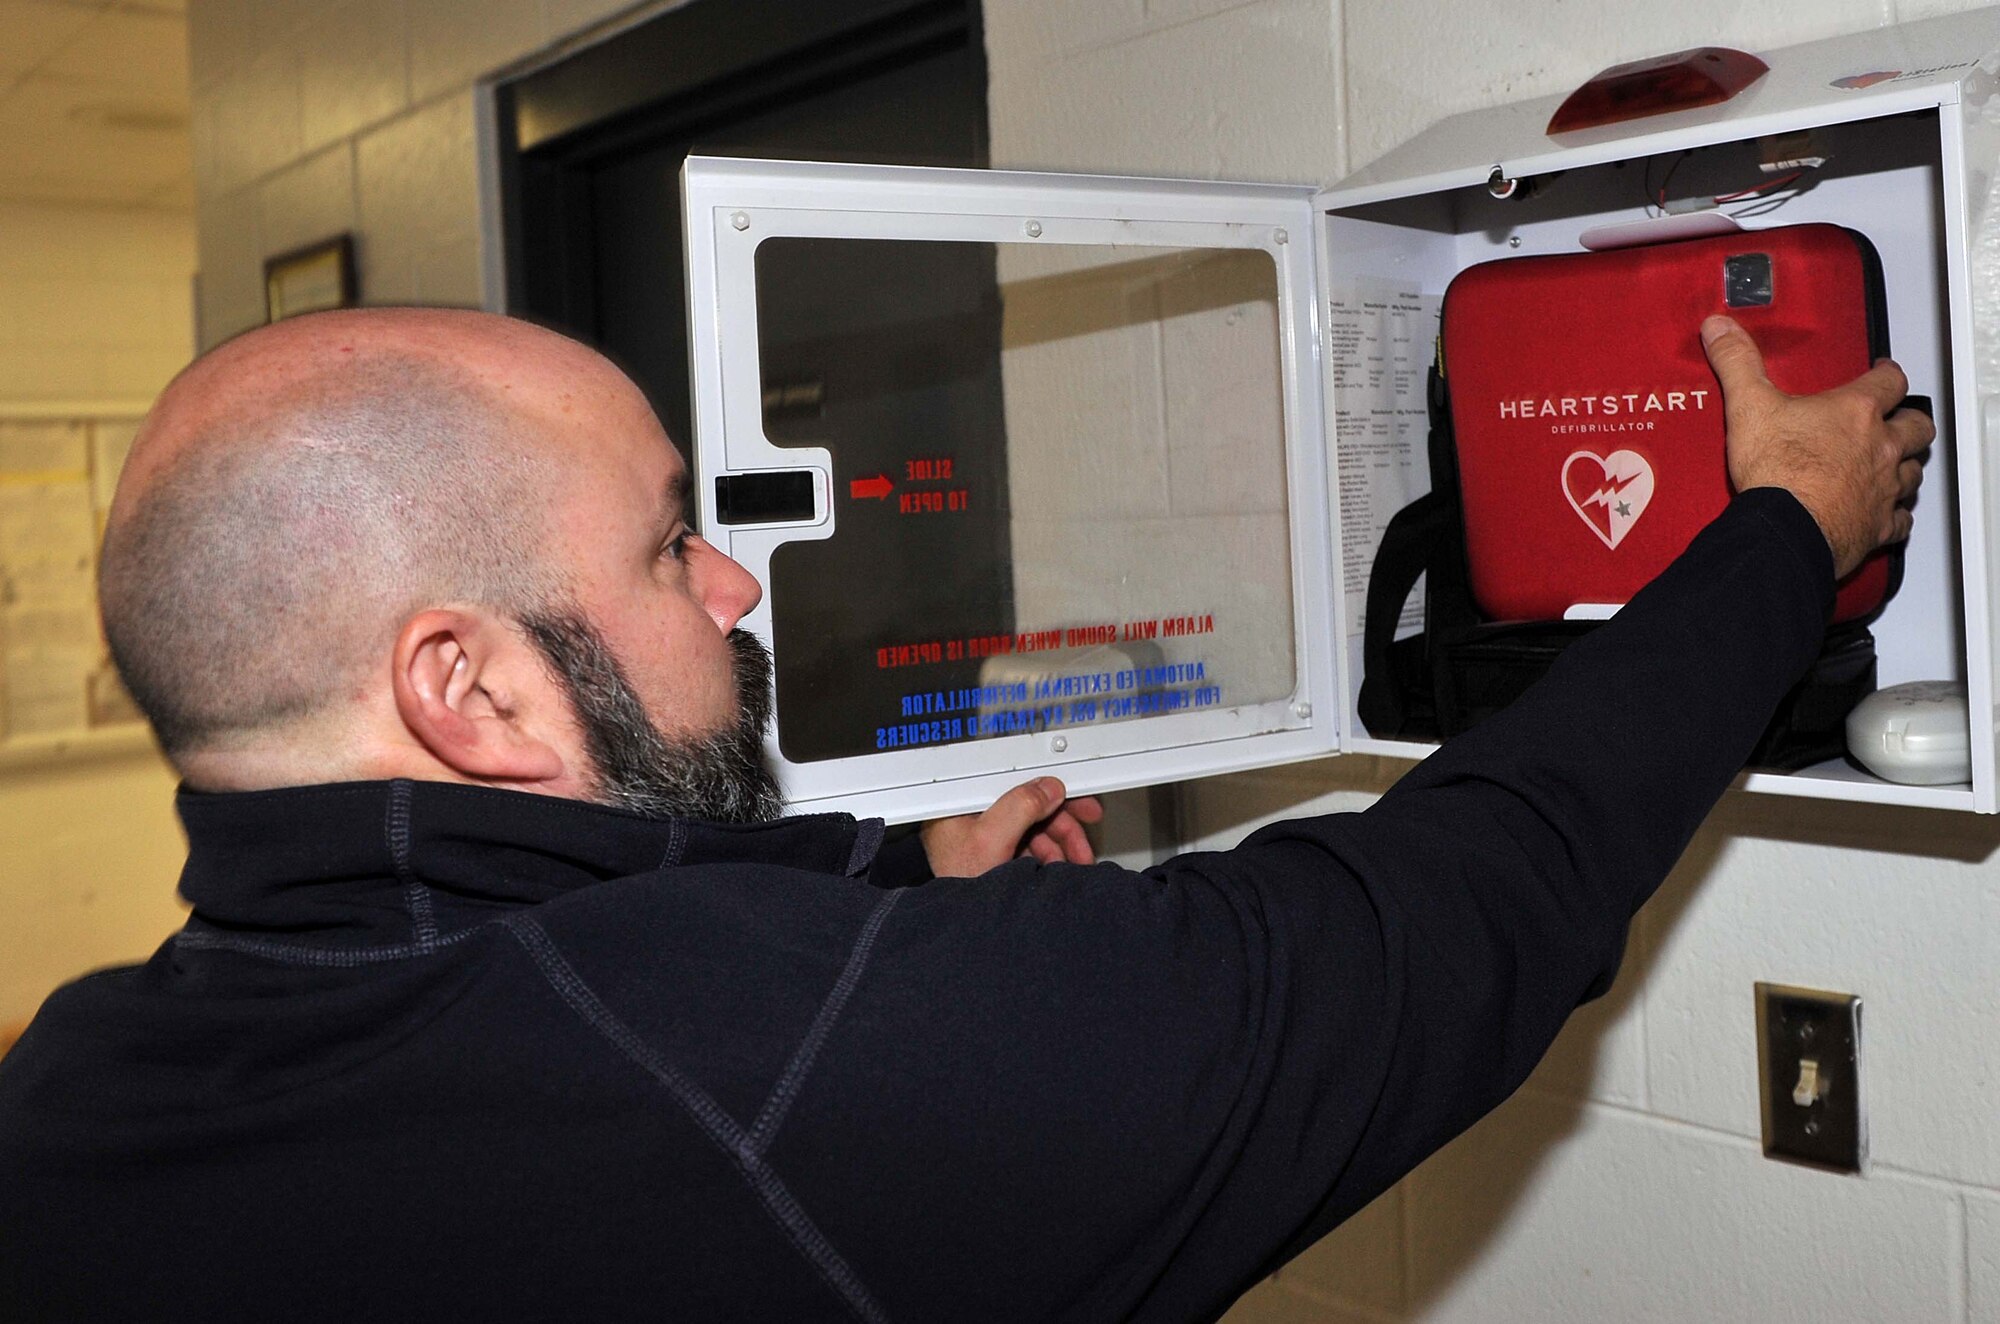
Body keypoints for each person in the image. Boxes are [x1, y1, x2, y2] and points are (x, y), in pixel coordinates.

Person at [0, 307, 1929, 1322]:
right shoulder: (775, 1072)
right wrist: (1779, 538)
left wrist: (895, 880)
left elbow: (564, 937)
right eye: (672, 544)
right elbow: (1429, 923)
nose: (735, 588)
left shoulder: (70, 1085)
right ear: (468, 686)